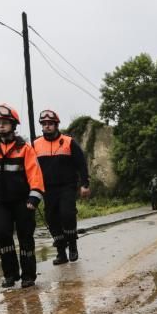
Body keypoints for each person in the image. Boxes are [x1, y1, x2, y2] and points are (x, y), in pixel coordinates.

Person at [0, 104, 45, 288]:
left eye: (4, 122)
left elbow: (35, 175)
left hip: (23, 202)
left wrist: (34, 197)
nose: (0, 126)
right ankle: (10, 274)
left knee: (25, 238)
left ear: (13, 125)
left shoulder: (25, 149)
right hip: (0, 203)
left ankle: (28, 276)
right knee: (0, 235)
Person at [33, 109, 89, 264]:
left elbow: (81, 164)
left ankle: (72, 244)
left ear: (56, 125)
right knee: (52, 219)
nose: (47, 126)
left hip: (67, 186)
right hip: (47, 189)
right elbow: (31, 168)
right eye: (44, 124)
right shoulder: (35, 144)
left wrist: (85, 184)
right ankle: (61, 253)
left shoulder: (69, 142)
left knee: (67, 214)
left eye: (50, 124)